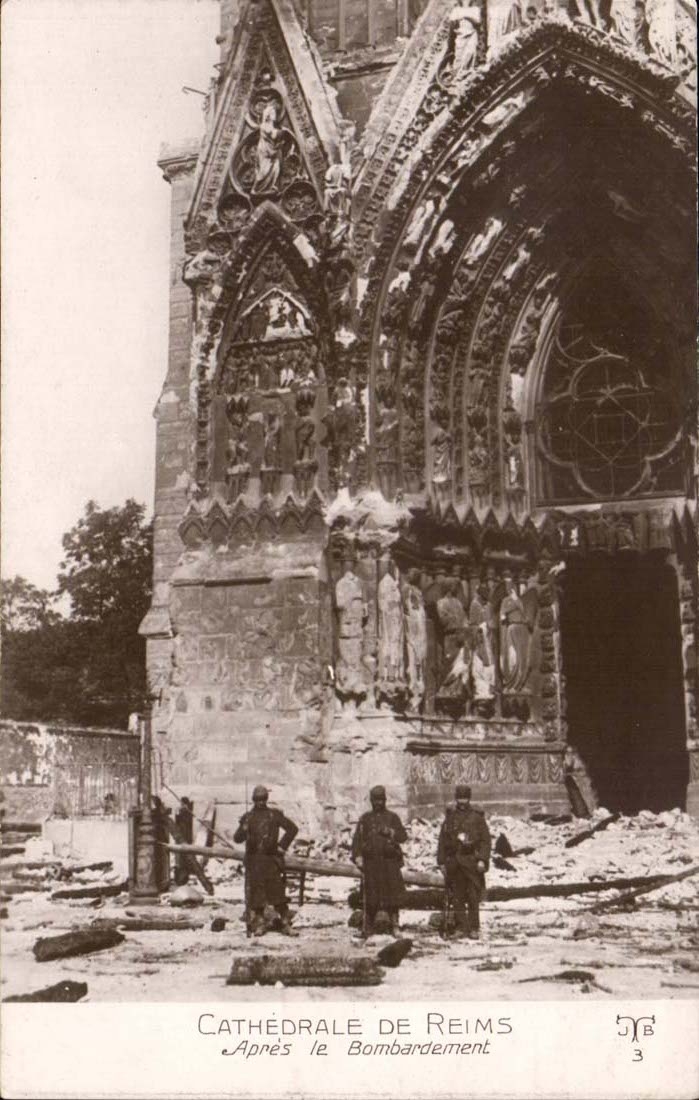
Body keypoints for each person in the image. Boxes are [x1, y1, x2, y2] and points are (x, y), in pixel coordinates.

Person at [233, 785, 299, 937]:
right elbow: (237, 839)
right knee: (257, 895)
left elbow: (292, 829)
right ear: (253, 800)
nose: (260, 802)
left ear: (266, 799)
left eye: (263, 799)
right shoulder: (248, 817)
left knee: (278, 894)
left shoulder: (274, 815)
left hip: (271, 860)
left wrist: (282, 846)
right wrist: (243, 828)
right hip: (254, 861)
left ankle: (285, 923)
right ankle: (260, 925)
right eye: (257, 799)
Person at [351, 786, 407, 937]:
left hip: (390, 863)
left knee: (393, 895)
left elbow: (403, 836)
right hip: (371, 864)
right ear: (371, 801)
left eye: (381, 800)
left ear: (385, 800)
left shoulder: (392, 817)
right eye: (375, 800)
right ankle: (368, 926)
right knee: (370, 895)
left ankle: (395, 925)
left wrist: (391, 832)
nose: (378, 803)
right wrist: (357, 857)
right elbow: (357, 840)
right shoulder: (365, 819)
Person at [437, 784, 491, 938]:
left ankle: (474, 928)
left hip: (471, 863)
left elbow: (486, 841)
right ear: (456, 798)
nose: (462, 801)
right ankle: (461, 927)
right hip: (455, 863)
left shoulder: (477, 818)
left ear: (469, 799)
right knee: (458, 898)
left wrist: (482, 860)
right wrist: (441, 862)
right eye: (460, 798)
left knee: (473, 897)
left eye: (465, 798)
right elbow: (442, 841)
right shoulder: (450, 818)